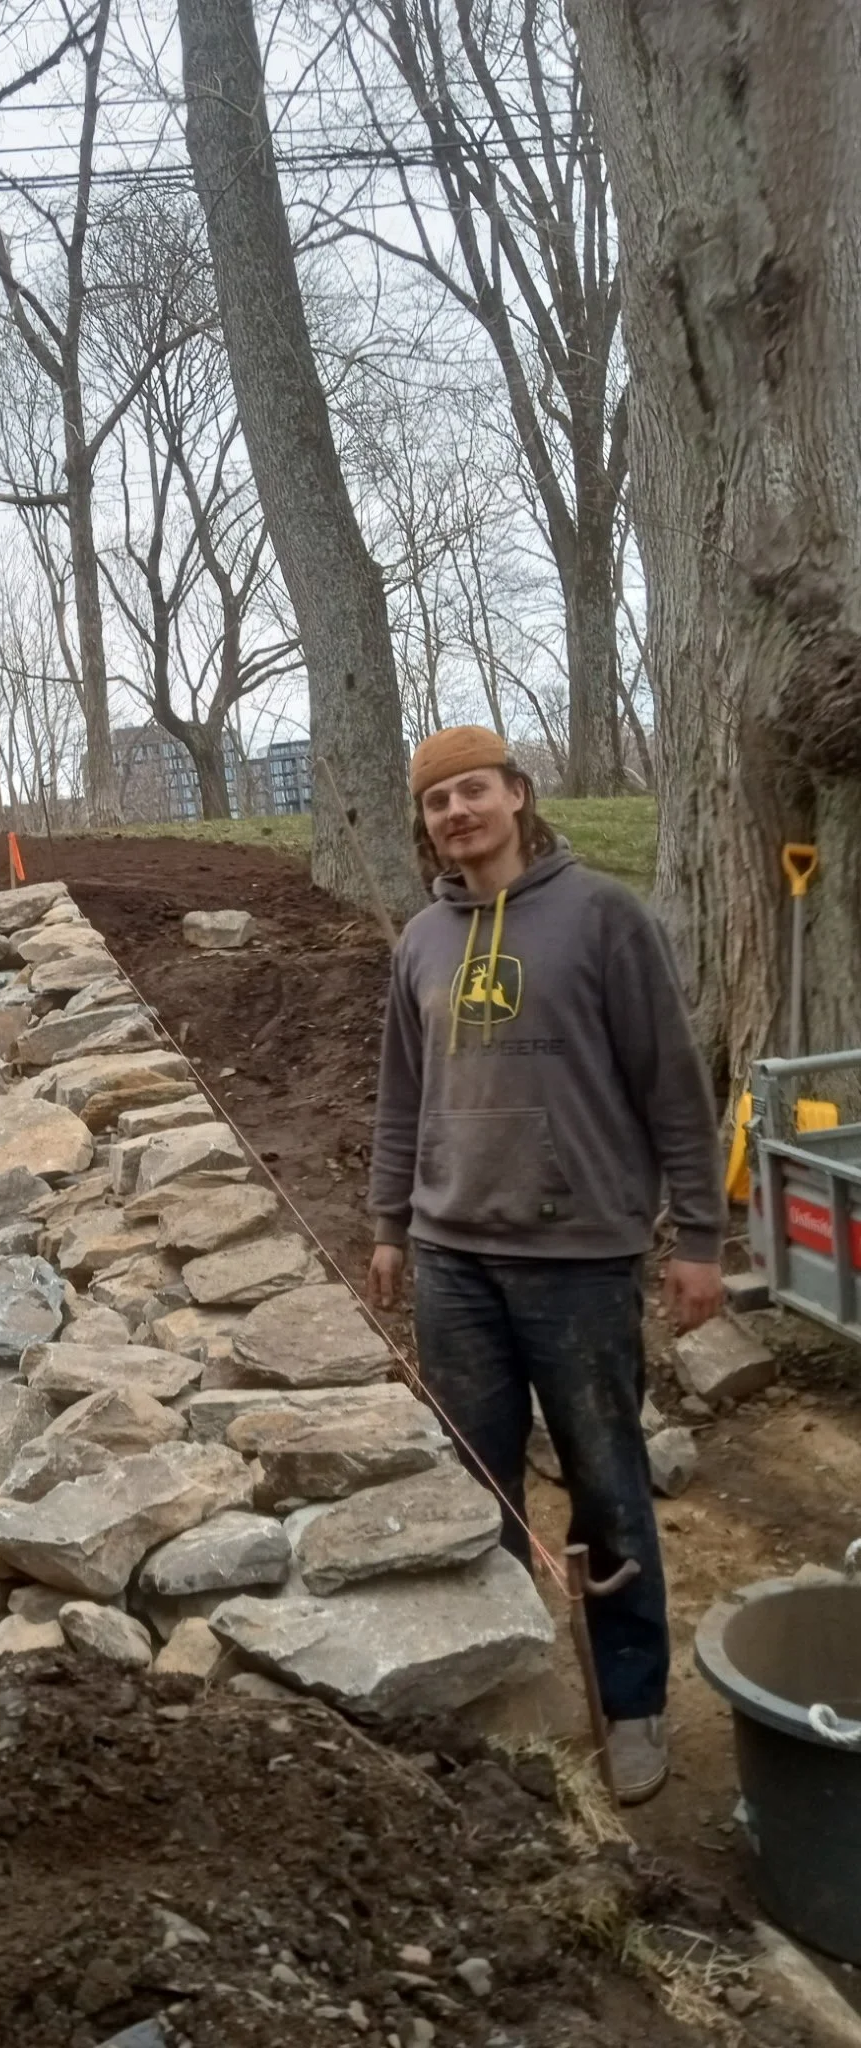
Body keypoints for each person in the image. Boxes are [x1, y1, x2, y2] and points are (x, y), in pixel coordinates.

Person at [367, 724, 724, 1805]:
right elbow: (399, 1096)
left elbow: (674, 1085)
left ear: (518, 794)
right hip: (452, 1257)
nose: (457, 813)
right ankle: (507, 1695)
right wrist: (390, 1222)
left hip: (580, 1254)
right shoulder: (423, 939)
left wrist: (699, 1239)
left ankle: (632, 1704)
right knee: (477, 1493)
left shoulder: (604, 916)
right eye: (437, 801)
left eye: (474, 790)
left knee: (608, 1486)